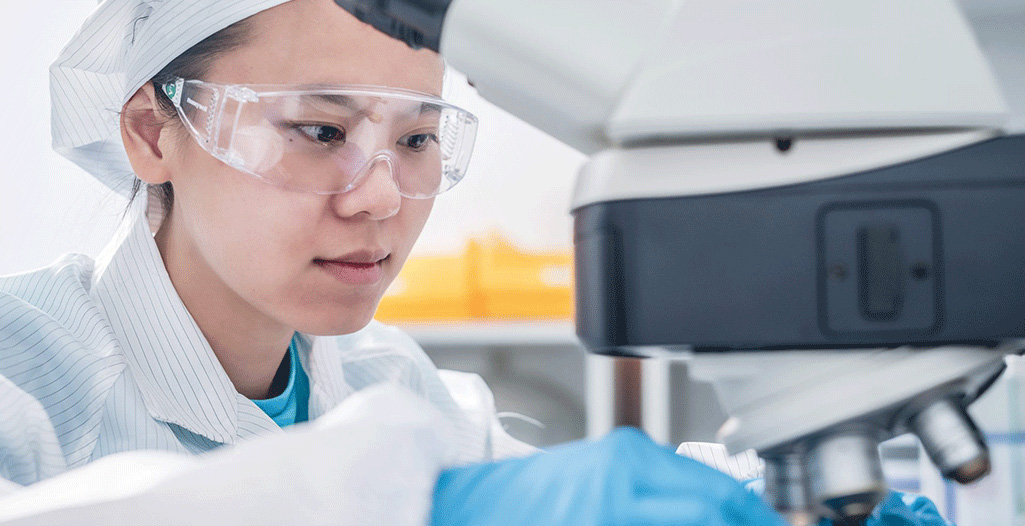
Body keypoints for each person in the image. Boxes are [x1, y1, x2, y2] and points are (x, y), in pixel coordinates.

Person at [0, 0, 949, 524]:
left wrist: (774, 495)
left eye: (417, 140)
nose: (379, 197)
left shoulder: (391, 383)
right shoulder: (22, 380)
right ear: (150, 132)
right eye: (320, 130)